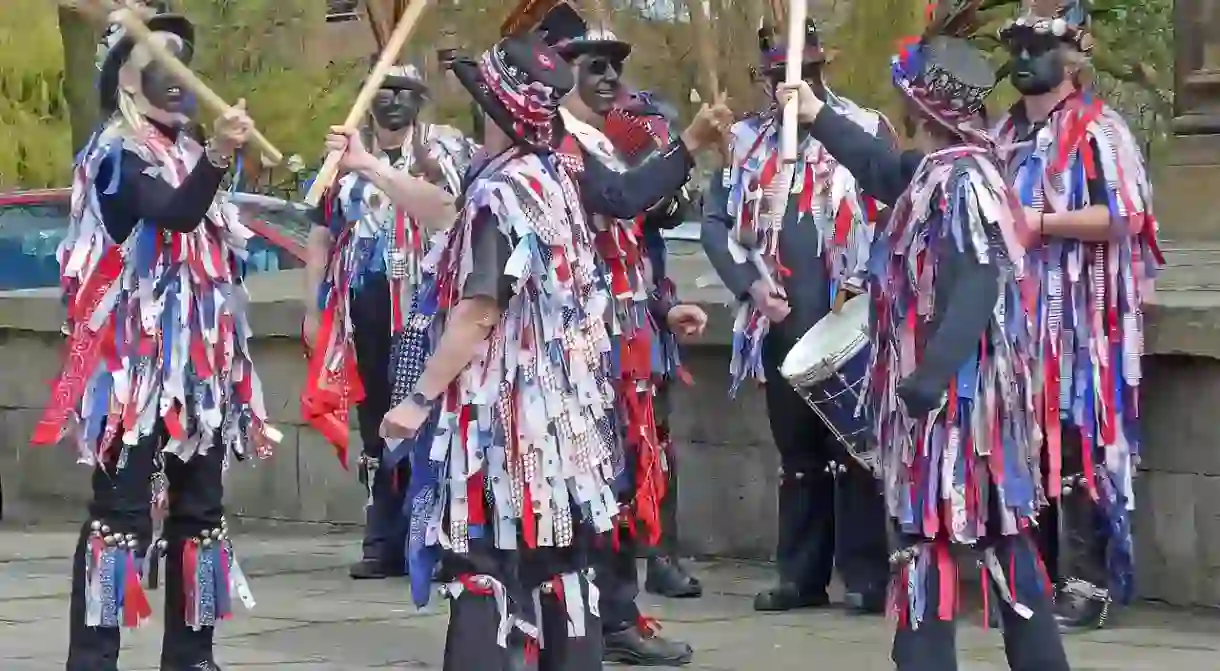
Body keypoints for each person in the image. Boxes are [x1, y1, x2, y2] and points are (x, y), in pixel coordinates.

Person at [372, 27, 729, 670]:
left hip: (503, 418)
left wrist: (419, 399)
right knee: (560, 565)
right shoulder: (554, 182)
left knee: (480, 563)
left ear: (494, 111)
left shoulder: (498, 194)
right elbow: (578, 276)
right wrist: (368, 165)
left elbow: (480, 310)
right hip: (564, 422)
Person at [777, 12, 1073, 669]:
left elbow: (978, 284)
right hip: (964, 405)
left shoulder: (963, 180)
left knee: (928, 541)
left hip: (957, 409)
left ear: (919, 105)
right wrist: (818, 113)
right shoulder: (948, 168)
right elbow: (883, 169)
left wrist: (930, 375)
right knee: (999, 535)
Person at [32, 12, 271, 671]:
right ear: (126, 83)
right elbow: (172, 212)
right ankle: (94, 659)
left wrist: (215, 157)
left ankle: (192, 656)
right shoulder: (115, 155)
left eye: (185, 62)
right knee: (119, 518)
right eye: (159, 63)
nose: (179, 76)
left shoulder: (190, 155)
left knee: (202, 512)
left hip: (197, 376)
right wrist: (221, 155)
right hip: (132, 374)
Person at [534, 3, 709, 664]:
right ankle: (601, 618)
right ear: (562, 72)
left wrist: (662, 309)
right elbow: (620, 200)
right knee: (599, 478)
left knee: (627, 472)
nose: (610, 78)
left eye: (616, 68)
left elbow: (627, 245)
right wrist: (687, 145)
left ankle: (613, 613)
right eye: (594, 66)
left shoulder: (600, 141)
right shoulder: (560, 145)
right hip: (581, 344)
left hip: (626, 335)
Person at [700, 18, 891, 614]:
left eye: (802, 74)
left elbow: (897, 207)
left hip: (850, 316)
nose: (788, 87)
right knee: (798, 454)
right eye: (778, 77)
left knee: (856, 450)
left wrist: (867, 283)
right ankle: (801, 575)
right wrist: (750, 286)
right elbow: (715, 224)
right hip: (778, 315)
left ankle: (866, 575)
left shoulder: (861, 127)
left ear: (820, 70)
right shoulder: (745, 141)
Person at [993, 0, 1160, 632]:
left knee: (1077, 446)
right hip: (1015, 322)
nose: (1025, 59)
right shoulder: (1003, 134)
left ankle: (1087, 583)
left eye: (1038, 47)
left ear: (1072, 60)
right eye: (1017, 48)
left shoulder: (1100, 129)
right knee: (1022, 447)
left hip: (1083, 325)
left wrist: (1042, 223)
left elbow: (1127, 216)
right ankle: (1028, 577)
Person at [301, 64, 472, 581]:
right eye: (384, 92)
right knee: (376, 419)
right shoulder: (339, 161)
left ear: (421, 102)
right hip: (366, 307)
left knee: (433, 417)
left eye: (406, 93)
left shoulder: (442, 153)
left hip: (427, 306)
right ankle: (384, 538)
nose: (394, 101)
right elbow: (319, 237)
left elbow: (456, 210)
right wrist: (313, 310)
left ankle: (438, 536)